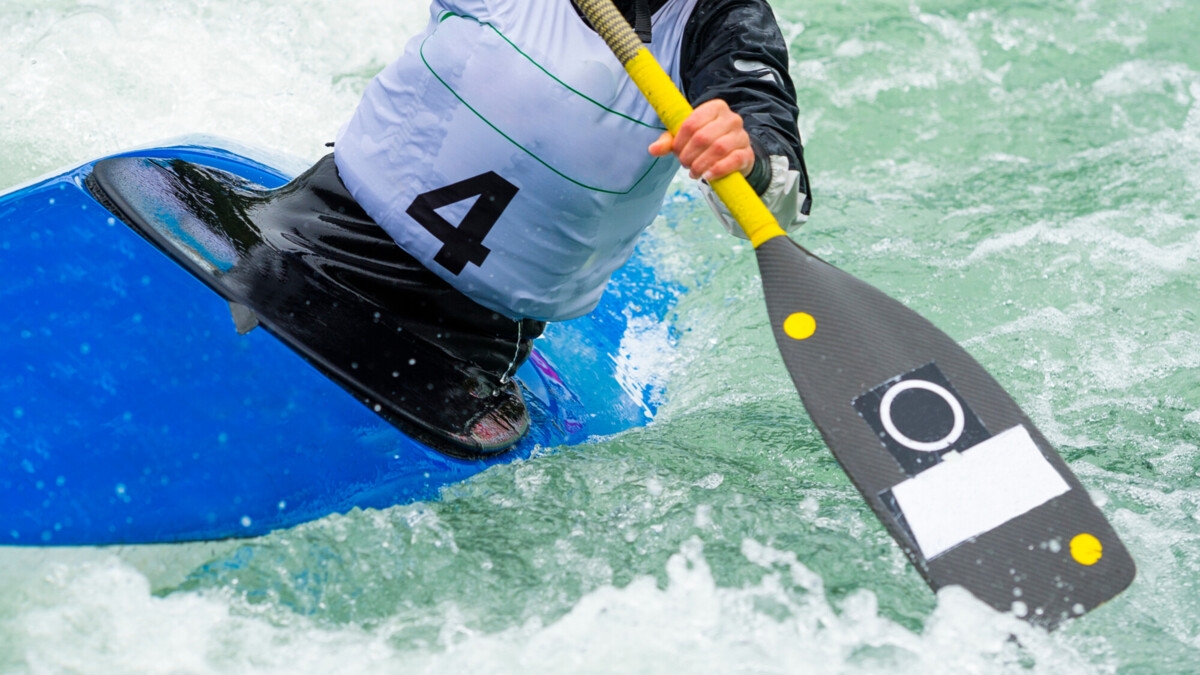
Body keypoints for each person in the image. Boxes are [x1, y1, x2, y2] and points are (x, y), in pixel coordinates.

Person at [89, 0, 810, 458]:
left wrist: (744, 154)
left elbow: (780, 191)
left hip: (459, 351)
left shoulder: (724, 24)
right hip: (294, 240)